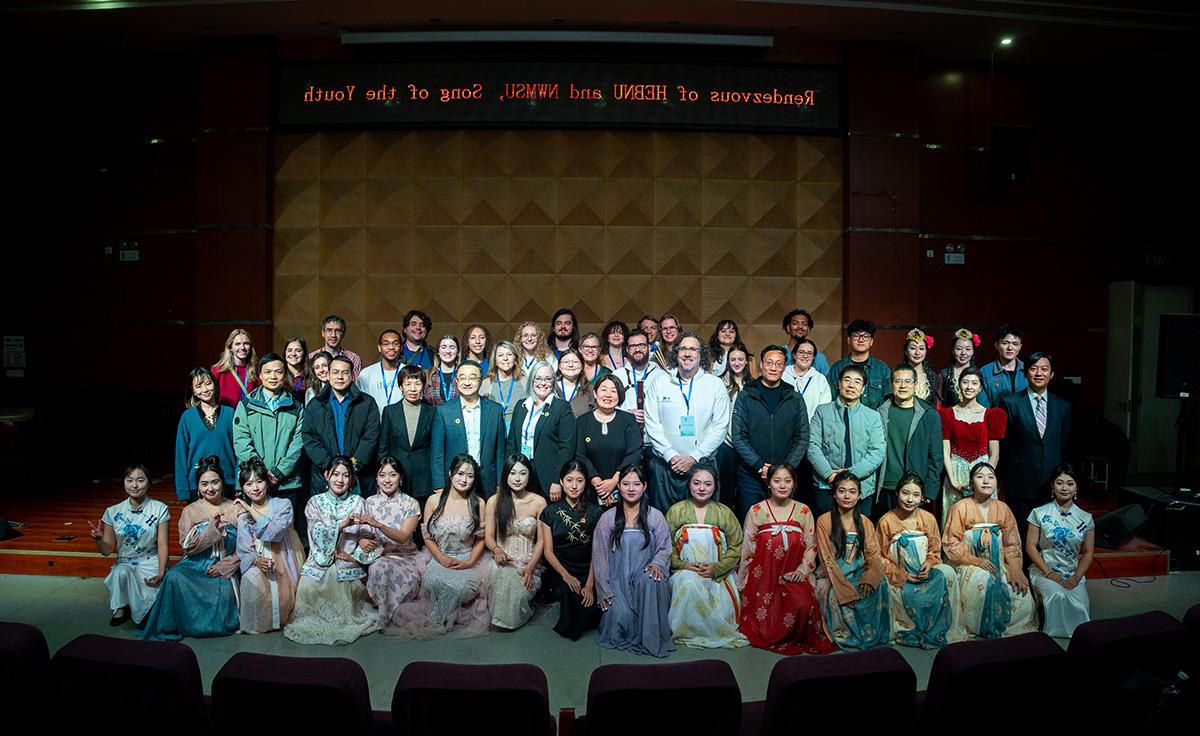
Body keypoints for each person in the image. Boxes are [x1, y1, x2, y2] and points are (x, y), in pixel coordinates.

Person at [738, 463, 836, 654]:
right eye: (777, 481)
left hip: (793, 575)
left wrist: (803, 570)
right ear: (768, 484)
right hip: (763, 578)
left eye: (787, 481)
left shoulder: (804, 511)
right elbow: (748, 549)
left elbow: (811, 546)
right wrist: (744, 583)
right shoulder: (756, 510)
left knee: (804, 605)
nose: (782, 485)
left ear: (794, 485)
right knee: (766, 625)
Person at [284, 456, 380, 645]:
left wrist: (359, 544)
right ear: (326, 475)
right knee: (308, 586)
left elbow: (370, 534)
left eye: (345, 475)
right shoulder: (314, 502)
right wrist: (341, 525)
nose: (340, 480)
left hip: (347, 560)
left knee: (340, 582)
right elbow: (314, 531)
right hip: (319, 559)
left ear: (351, 479)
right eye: (335, 474)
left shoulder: (359, 502)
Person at [142, 457, 240, 641]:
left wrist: (227, 565)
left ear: (223, 483)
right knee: (174, 576)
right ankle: (177, 624)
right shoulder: (190, 510)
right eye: (204, 484)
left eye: (215, 482)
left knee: (224, 588)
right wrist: (212, 530)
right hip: (196, 563)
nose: (210, 488)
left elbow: (247, 544)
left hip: (224, 563)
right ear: (198, 486)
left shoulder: (235, 507)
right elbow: (188, 548)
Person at [943, 463, 1037, 639]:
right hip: (969, 564)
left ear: (997, 483)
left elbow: (1012, 544)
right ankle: (980, 627)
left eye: (990, 477)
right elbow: (951, 543)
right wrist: (976, 560)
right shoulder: (960, 507)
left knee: (1020, 594)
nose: (986, 481)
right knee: (985, 583)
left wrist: (1015, 569)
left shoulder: (1003, 509)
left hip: (1000, 564)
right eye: (980, 476)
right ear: (971, 484)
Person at [593, 464, 674, 657]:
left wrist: (657, 564)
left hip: (645, 582)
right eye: (626, 484)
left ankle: (652, 639)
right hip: (617, 581)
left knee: (652, 579)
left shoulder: (655, 516)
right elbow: (599, 555)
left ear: (644, 486)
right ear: (618, 487)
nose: (631, 489)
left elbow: (665, 548)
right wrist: (604, 590)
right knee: (621, 618)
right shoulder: (608, 518)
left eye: (636, 484)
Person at [644, 332, 731, 512]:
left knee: (702, 521)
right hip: (664, 466)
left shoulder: (714, 385)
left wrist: (694, 457)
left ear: (701, 354)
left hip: (702, 466)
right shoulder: (660, 382)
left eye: (693, 349)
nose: (687, 353)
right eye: (683, 348)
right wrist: (670, 455)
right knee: (664, 523)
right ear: (676, 353)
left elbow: (720, 426)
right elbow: (652, 422)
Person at [876, 472, 963, 648]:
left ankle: (945, 627)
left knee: (948, 572)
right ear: (896, 493)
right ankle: (907, 628)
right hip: (900, 574)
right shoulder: (886, 521)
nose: (910, 499)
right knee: (886, 586)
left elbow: (934, 549)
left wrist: (929, 563)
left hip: (925, 571)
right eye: (905, 493)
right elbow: (880, 557)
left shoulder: (928, 519)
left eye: (916, 495)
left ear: (922, 497)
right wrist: (901, 574)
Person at [666, 465, 747, 649]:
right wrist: (682, 565)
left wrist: (716, 568)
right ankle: (687, 631)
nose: (702, 488)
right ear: (689, 485)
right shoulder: (676, 511)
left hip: (717, 574)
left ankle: (711, 630)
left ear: (715, 486)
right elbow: (664, 544)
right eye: (697, 483)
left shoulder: (724, 512)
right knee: (688, 583)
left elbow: (737, 545)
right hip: (684, 570)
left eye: (708, 484)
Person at [233, 353, 308, 541]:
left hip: (286, 483)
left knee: (286, 536)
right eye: (268, 372)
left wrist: (279, 472)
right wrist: (261, 474)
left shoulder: (296, 407)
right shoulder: (246, 405)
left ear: (285, 375)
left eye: (278, 372)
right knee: (254, 536)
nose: (273, 376)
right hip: (254, 482)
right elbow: (241, 442)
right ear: (260, 374)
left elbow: (298, 444)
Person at [732, 345, 811, 521]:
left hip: (785, 478)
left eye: (778, 364)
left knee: (784, 528)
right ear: (761, 364)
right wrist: (760, 465)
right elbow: (738, 437)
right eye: (769, 363)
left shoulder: (795, 398)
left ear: (784, 367)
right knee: (752, 527)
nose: (773, 368)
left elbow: (802, 438)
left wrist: (784, 470)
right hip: (751, 476)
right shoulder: (746, 395)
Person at [813, 471, 891, 650]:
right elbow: (826, 560)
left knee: (881, 583)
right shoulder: (824, 521)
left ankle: (871, 633)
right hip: (834, 575)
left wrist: (870, 577)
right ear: (834, 494)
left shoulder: (865, 522)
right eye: (842, 491)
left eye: (852, 491)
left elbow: (873, 555)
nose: (847, 496)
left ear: (859, 496)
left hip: (858, 571)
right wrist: (843, 589)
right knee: (832, 595)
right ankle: (845, 634)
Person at [999, 352, 1072, 539]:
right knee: (1020, 535)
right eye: (1033, 368)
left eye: (1044, 369)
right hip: (1020, 482)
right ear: (1025, 373)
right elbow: (1005, 444)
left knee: (1049, 535)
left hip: (1051, 483)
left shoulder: (1062, 406)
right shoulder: (1010, 403)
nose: (1039, 373)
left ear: (1052, 374)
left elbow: (1063, 444)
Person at [90, 464, 169, 626]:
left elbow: (162, 544)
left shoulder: (160, 508)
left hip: (150, 561)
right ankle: (122, 605)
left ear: (149, 483)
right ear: (124, 482)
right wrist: (99, 540)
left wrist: (161, 573)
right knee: (120, 572)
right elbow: (106, 550)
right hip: (124, 562)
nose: (134, 485)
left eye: (140, 480)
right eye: (130, 480)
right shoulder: (112, 511)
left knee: (150, 615)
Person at [420, 454, 490, 636]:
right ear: (451, 474)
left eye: (470, 476)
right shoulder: (433, 501)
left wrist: (469, 562)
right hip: (440, 555)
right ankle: (443, 618)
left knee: (462, 587)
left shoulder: (479, 503)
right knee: (432, 581)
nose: (464, 480)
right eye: (460, 474)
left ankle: (443, 619)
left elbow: (481, 539)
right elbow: (427, 537)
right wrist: (441, 558)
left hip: (468, 557)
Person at [234, 458, 305, 634]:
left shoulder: (283, 505)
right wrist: (257, 560)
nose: (255, 488)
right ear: (243, 488)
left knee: (286, 595)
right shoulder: (243, 518)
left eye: (259, 481)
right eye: (249, 484)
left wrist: (250, 509)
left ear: (267, 482)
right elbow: (244, 548)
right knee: (252, 580)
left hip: (284, 555)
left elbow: (275, 533)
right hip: (260, 558)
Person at [357, 456, 428, 631]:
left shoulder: (410, 503)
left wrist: (378, 524)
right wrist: (362, 539)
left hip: (406, 557)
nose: (387, 480)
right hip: (380, 557)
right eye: (382, 475)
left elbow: (403, 537)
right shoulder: (369, 502)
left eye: (393, 475)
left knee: (395, 574)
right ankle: (383, 612)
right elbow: (361, 531)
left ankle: (387, 614)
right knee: (379, 568)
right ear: (376, 478)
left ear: (401, 478)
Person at [1026, 464, 1094, 638]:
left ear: (1076, 487)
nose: (1065, 488)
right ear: (1052, 485)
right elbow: (1030, 547)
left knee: (1080, 606)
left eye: (1070, 483)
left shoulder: (1086, 518)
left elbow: (1088, 553)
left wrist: (1077, 577)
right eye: (1060, 483)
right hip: (1044, 571)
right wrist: (1049, 574)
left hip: (1072, 573)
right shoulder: (1039, 513)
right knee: (1057, 596)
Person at [808, 364, 885, 515]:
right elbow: (812, 446)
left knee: (859, 533)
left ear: (863, 389)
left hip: (861, 486)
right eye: (847, 380)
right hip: (827, 485)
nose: (851, 385)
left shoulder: (873, 416)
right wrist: (830, 475)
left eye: (857, 382)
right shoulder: (822, 412)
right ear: (839, 384)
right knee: (827, 532)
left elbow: (877, 451)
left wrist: (851, 474)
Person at [539, 459, 602, 640]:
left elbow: (597, 552)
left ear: (586, 482)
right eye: (569, 480)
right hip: (560, 570)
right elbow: (548, 552)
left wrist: (590, 584)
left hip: (588, 569)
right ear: (561, 481)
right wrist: (565, 576)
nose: (574, 486)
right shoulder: (549, 512)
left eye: (579, 480)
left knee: (590, 602)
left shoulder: (595, 512)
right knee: (572, 594)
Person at [939, 366, 1006, 528]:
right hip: (956, 471)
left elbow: (994, 453)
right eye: (965, 382)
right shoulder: (947, 414)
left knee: (982, 521)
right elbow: (945, 450)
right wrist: (953, 481)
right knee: (955, 521)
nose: (969, 387)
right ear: (958, 385)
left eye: (974, 383)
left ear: (980, 388)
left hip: (983, 471)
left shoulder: (991, 415)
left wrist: (985, 479)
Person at [302, 355, 380, 494]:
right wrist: (330, 466)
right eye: (335, 372)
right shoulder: (315, 405)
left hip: (359, 476)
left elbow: (371, 437)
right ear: (329, 375)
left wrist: (352, 465)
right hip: (324, 475)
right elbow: (309, 438)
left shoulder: (367, 403)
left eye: (345, 373)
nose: (340, 377)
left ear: (352, 376)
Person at [485, 453, 546, 630]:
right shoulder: (494, 501)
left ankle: (511, 619)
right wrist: (497, 550)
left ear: (529, 475)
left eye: (523, 473)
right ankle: (502, 621)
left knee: (518, 589)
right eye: (512, 473)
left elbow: (542, 541)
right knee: (502, 575)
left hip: (529, 560)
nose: (517, 479)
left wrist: (530, 567)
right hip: (502, 558)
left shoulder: (539, 502)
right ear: (505, 475)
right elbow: (489, 536)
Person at [874, 365, 944, 519]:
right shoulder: (879, 412)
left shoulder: (929, 415)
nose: (903, 386)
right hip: (885, 486)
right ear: (891, 385)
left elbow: (936, 457)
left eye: (908, 381)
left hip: (915, 489)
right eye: (898, 381)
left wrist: (930, 490)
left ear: (915, 384)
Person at [431, 360, 507, 498]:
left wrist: (499, 482)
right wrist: (439, 484)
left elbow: (500, 452)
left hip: (487, 481)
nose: (467, 382)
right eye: (462, 378)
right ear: (456, 380)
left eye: (472, 378)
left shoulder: (495, 411)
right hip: (455, 481)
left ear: (481, 380)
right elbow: (437, 453)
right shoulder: (444, 411)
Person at [508, 362, 576, 501]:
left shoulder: (561, 408)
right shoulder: (521, 406)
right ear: (532, 380)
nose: (543, 383)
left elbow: (566, 448)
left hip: (548, 477)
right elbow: (512, 442)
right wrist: (509, 473)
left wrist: (557, 480)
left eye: (548, 379)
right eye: (538, 378)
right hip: (521, 474)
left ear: (553, 381)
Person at [380, 365, 437, 519]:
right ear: (400, 387)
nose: (413, 389)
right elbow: (383, 448)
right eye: (408, 384)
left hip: (423, 477)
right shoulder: (390, 412)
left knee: (422, 524)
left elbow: (435, 447)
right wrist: (384, 475)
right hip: (397, 475)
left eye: (417, 384)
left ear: (423, 387)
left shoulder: (432, 412)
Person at [576, 375, 641, 506]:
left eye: (613, 391)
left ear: (620, 396)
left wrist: (614, 481)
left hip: (624, 485)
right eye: (603, 390)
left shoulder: (628, 420)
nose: (608, 395)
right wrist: (596, 481)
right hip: (591, 487)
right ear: (595, 393)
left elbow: (634, 452)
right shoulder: (582, 421)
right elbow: (579, 454)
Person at [175, 367, 236, 502]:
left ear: (215, 384)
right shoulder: (187, 417)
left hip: (227, 481)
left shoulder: (230, 413)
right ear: (193, 391)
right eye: (199, 386)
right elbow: (181, 455)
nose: (205, 389)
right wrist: (183, 490)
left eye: (208, 383)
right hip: (197, 483)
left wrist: (239, 484)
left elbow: (238, 451)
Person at [826, 319, 891, 409]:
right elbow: (830, 398)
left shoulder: (882, 368)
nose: (861, 339)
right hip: (842, 419)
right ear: (849, 340)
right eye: (856, 336)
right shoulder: (837, 367)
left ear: (871, 341)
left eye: (865, 336)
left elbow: (888, 400)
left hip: (874, 421)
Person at [719, 343, 753, 505]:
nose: (737, 363)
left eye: (741, 359)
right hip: (726, 445)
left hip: (748, 446)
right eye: (733, 359)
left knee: (745, 491)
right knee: (726, 490)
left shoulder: (754, 385)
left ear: (747, 362)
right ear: (728, 361)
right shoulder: (719, 384)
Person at [357, 329, 405, 416]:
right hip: (374, 424)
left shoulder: (408, 372)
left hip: (401, 425)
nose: (391, 347)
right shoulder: (366, 374)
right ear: (379, 347)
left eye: (396, 343)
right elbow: (362, 405)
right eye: (386, 344)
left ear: (401, 347)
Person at [480, 340, 528, 425]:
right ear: (495, 361)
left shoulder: (525, 381)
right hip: (495, 426)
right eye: (500, 355)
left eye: (509, 354)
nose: (505, 358)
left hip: (519, 427)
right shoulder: (486, 383)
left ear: (515, 359)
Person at [212, 328, 260, 408]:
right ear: (230, 347)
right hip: (228, 417)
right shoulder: (218, 371)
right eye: (237, 344)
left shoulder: (256, 370)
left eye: (246, 343)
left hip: (250, 416)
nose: (242, 347)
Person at [980, 324, 1026, 407]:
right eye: (1005, 343)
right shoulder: (985, 372)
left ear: (1020, 347)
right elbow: (983, 407)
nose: (1010, 348)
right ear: (997, 345)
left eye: (1015, 344)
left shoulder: (1028, 370)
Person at [782, 338, 833, 411]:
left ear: (813, 357)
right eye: (801, 352)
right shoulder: (783, 375)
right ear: (794, 355)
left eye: (809, 353)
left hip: (812, 422)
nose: (805, 356)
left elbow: (824, 408)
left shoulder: (820, 379)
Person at [935, 328, 980, 409]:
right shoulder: (944, 375)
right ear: (952, 351)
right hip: (949, 419)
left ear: (973, 351)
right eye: (958, 349)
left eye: (968, 349)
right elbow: (938, 405)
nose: (963, 353)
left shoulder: (978, 375)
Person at [310, 314, 363, 381]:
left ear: (343, 334)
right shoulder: (311, 357)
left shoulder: (354, 359)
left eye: (338, 330)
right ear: (323, 333)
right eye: (329, 330)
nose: (333, 335)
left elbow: (355, 386)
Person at [782, 308, 830, 375]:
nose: (800, 326)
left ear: (808, 330)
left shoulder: (819, 357)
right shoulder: (779, 353)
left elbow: (826, 382)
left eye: (804, 324)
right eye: (795, 323)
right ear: (788, 328)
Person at [555, 348, 596, 418]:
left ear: (582, 366)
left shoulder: (591, 390)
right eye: (566, 362)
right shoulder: (550, 387)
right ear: (559, 367)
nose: (570, 365)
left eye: (575, 362)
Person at [902, 329, 939, 404]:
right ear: (906, 351)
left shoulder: (933, 377)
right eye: (912, 348)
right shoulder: (898, 375)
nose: (917, 352)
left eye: (921, 348)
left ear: (926, 351)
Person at [424, 334, 461, 406]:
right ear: (438, 351)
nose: (448, 351)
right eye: (443, 347)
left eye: (452, 347)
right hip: (434, 416)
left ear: (457, 352)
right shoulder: (428, 374)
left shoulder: (463, 374)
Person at [283, 336, 313, 401]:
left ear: (304, 353)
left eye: (298, 350)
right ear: (285, 353)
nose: (293, 354)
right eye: (289, 350)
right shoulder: (279, 374)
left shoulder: (310, 376)